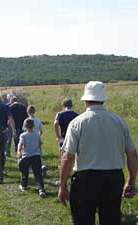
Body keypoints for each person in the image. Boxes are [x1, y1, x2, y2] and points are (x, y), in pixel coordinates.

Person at [58, 81, 138, 225]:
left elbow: (68, 157)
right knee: (110, 220)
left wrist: (62, 185)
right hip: (113, 179)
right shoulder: (119, 121)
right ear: (103, 99)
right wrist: (131, 180)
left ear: (85, 100)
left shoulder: (77, 123)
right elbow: (132, 154)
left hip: (85, 180)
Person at [17, 118, 46, 197]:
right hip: (36, 156)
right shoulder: (37, 135)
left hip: (26, 156)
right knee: (38, 174)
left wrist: (19, 152)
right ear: (33, 126)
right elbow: (40, 145)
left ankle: (24, 185)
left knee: (24, 171)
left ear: (25, 126)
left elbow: (20, 145)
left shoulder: (23, 135)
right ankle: (41, 189)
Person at [22, 105, 47, 175]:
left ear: (27, 112)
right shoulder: (38, 120)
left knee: (29, 154)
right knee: (38, 153)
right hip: (36, 138)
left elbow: (24, 130)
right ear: (34, 112)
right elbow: (41, 130)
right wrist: (39, 136)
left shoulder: (26, 120)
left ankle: (30, 168)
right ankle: (42, 165)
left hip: (28, 139)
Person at [54, 98, 78, 167]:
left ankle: (62, 165)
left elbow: (55, 123)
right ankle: (74, 165)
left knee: (62, 152)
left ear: (63, 105)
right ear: (71, 105)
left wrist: (58, 136)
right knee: (74, 152)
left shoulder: (60, 114)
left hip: (64, 136)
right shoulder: (76, 115)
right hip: (73, 137)